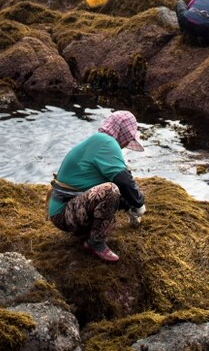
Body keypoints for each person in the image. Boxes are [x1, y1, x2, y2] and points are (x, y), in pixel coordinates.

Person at [48, 111, 147, 263]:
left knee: (113, 185)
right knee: (110, 190)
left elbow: (117, 180)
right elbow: (123, 181)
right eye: (129, 139)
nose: (127, 144)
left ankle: (88, 231)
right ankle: (95, 243)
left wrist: (128, 207)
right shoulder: (106, 142)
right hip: (63, 214)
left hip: (70, 209)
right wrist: (138, 203)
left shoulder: (99, 142)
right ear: (124, 133)